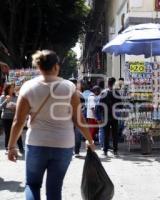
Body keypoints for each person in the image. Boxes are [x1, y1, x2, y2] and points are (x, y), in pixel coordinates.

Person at [7, 50, 96, 200]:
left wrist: (11, 147)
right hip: (63, 144)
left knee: (32, 185)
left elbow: (18, 121)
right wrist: (90, 140)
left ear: (38, 67)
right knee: (54, 189)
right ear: (56, 67)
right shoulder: (69, 87)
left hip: (36, 143)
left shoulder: (28, 87)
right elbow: (78, 119)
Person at [98, 77, 121, 156]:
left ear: (108, 83)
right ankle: (115, 150)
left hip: (105, 116)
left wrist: (100, 116)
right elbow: (120, 105)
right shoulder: (117, 93)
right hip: (114, 116)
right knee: (115, 134)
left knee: (106, 133)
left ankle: (105, 150)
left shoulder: (103, 93)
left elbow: (100, 106)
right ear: (114, 83)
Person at [0, 83, 24, 154]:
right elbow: (0, 107)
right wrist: (6, 101)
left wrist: (15, 108)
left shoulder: (16, 97)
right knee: (8, 133)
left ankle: (21, 148)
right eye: (11, 88)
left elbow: (20, 106)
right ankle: (7, 148)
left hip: (15, 117)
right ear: (7, 89)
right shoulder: (2, 97)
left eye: (13, 88)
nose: (12, 89)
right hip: (6, 118)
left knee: (18, 133)